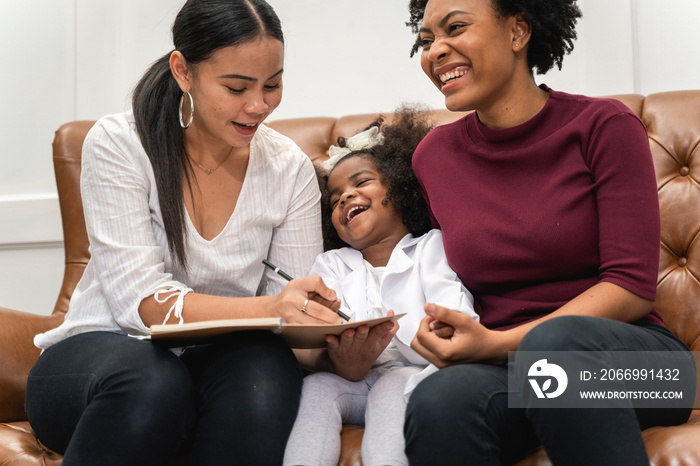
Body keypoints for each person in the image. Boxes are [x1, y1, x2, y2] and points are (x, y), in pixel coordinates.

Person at [24, 1, 347, 464]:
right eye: (236, 87)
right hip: (97, 365)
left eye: (272, 85)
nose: (258, 106)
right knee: (154, 380)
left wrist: (336, 350)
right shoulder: (120, 143)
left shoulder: (288, 167)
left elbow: (290, 322)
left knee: (266, 367)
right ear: (183, 70)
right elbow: (143, 306)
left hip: (209, 369)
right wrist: (273, 307)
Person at [402, 0, 696, 465]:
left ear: (518, 32)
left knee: (555, 349)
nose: (435, 51)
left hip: (651, 369)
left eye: (455, 28)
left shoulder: (604, 126)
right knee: (440, 401)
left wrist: (496, 344)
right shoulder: (433, 158)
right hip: (524, 372)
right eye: (426, 39)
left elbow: (630, 288)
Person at [283, 108, 479, 466]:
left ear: (401, 188)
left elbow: (454, 309)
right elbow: (316, 335)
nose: (344, 197)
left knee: (391, 387)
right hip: (354, 380)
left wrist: (445, 325)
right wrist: (332, 346)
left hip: (417, 373)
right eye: (335, 197)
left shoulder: (428, 247)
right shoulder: (331, 264)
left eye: (360, 183)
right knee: (315, 389)